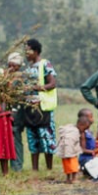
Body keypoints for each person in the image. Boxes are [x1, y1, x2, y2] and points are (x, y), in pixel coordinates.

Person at [24, 38, 58, 171]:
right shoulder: (27, 69)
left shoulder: (45, 64)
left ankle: (49, 168)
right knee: (33, 138)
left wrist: (38, 88)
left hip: (43, 107)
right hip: (30, 108)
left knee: (46, 137)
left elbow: (52, 83)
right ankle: (35, 169)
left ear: (36, 51)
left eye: (29, 51)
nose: (26, 54)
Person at [6, 52, 27, 172]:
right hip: (5, 111)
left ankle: (17, 166)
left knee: (16, 137)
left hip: (17, 113)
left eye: (16, 65)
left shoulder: (21, 78)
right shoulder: (4, 76)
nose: (14, 67)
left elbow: (22, 96)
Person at [56, 115, 91, 184]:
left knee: (67, 166)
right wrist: (69, 153)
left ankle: (68, 178)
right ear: (80, 125)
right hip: (70, 153)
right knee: (73, 166)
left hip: (65, 152)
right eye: (84, 129)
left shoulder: (71, 129)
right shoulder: (74, 132)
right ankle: (74, 179)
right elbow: (68, 142)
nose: (84, 131)